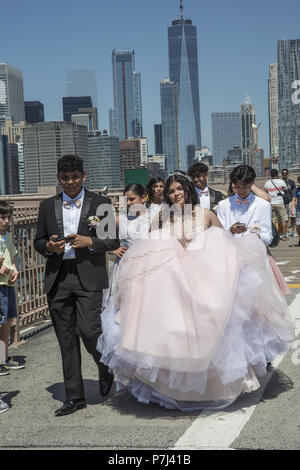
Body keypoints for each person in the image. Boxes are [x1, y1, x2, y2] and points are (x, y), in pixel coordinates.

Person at [97, 171, 294, 411]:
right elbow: (148, 248)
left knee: (210, 330)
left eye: (179, 189)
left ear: (187, 189)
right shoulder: (162, 217)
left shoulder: (206, 214)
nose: (175, 193)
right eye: (170, 191)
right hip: (170, 283)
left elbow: (226, 244)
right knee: (171, 335)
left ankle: (212, 387)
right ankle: (169, 389)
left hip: (204, 280)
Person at [34, 154, 119, 416]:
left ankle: (104, 366)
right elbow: (38, 241)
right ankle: (75, 396)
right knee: (66, 338)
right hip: (58, 277)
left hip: (89, 277)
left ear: (84, 176)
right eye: (64, 178)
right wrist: (49, 246)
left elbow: (112, 242)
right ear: (58, 179)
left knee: (90, 330)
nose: (69, 182)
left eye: (74, 177)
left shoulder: (101, 203)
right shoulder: (47, 206)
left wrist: (89, 241)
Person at [217, 165, 290, 295]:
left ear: (252, 183)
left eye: (245, 187)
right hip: (231, 259)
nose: (241, 191)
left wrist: (256, 236)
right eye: (238, 187)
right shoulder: (223, 205)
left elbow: (268, 237)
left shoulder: (263, 205)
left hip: (257, 259)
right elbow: (219, 236)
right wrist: (231, 231)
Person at [0, 201, 23, 378]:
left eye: (8, 217)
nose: (6, 221)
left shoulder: (6, 235)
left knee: (7, 320)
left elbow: (12, 257)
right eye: (2, 217)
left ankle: (3, 358)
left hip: (8, 283)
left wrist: (15, 270)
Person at [264, 169, 289, 240]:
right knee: (284, 219)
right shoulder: (281, 182)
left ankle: (275, 235)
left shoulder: (267, 183)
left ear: (271, 175)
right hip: (280, 202)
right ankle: (283, 235)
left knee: (273, 220)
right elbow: (286, 191)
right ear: (277, 174)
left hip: (271, 203)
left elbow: (266, 193)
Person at [281, 169, 297, 237]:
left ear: (287, 174)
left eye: (285, 173)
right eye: (283, 173)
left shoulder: (291, 182)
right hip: (283, 202)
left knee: (293, 217)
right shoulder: (280, 182)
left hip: (291, 201)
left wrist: (295, 200)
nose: (284, 174)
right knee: (285, 218)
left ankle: (293, 231)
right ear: (281, 174)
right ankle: (286, 231)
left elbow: (294, 191)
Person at [292, 176, 300, 247]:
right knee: (298, 226)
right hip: (298, 210)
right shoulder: (296, 190)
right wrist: (292, 208)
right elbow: (293, 199)